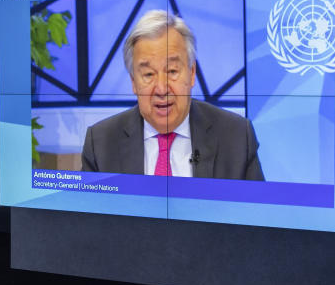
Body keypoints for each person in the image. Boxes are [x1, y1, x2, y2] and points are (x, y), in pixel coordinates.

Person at [81, 10, 264, 180]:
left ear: (192, 74)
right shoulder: (101, 143)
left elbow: (257, 211)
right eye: (148, 74)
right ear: (133, 82)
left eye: (172, 71)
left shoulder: (237, 137)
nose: (161, 89)